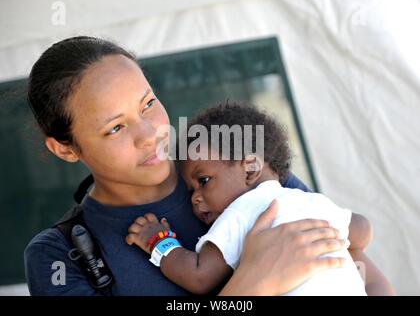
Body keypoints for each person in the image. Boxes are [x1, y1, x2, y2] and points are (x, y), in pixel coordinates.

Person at [24, 36, 387, 296]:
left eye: (148, 104)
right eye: (115, 127)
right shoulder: (59, 256)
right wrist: (254, 283)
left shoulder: (231, 167)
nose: (150, 134)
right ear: (65, 148)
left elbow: (362, 273)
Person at [126, 103, 380, 295]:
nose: (195, 199)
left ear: (249, 169)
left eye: (203, 181)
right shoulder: (311, 202)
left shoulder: (241, 212)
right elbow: (363, 229)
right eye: (192, 190)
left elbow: (199, 276)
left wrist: (158, 241)